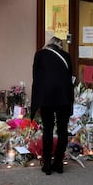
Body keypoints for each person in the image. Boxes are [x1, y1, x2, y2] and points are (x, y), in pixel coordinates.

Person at [30, 36, 74, 175]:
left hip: (46, 96)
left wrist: (36, 101)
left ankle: (47, 163)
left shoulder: (40, 54)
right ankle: (59, 163)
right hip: (64, 97)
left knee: (47, 129)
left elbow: (36, 78)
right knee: (62, 130)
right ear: (60, 46)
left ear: (48, 44)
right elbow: (69, 76)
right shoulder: (66, 56)